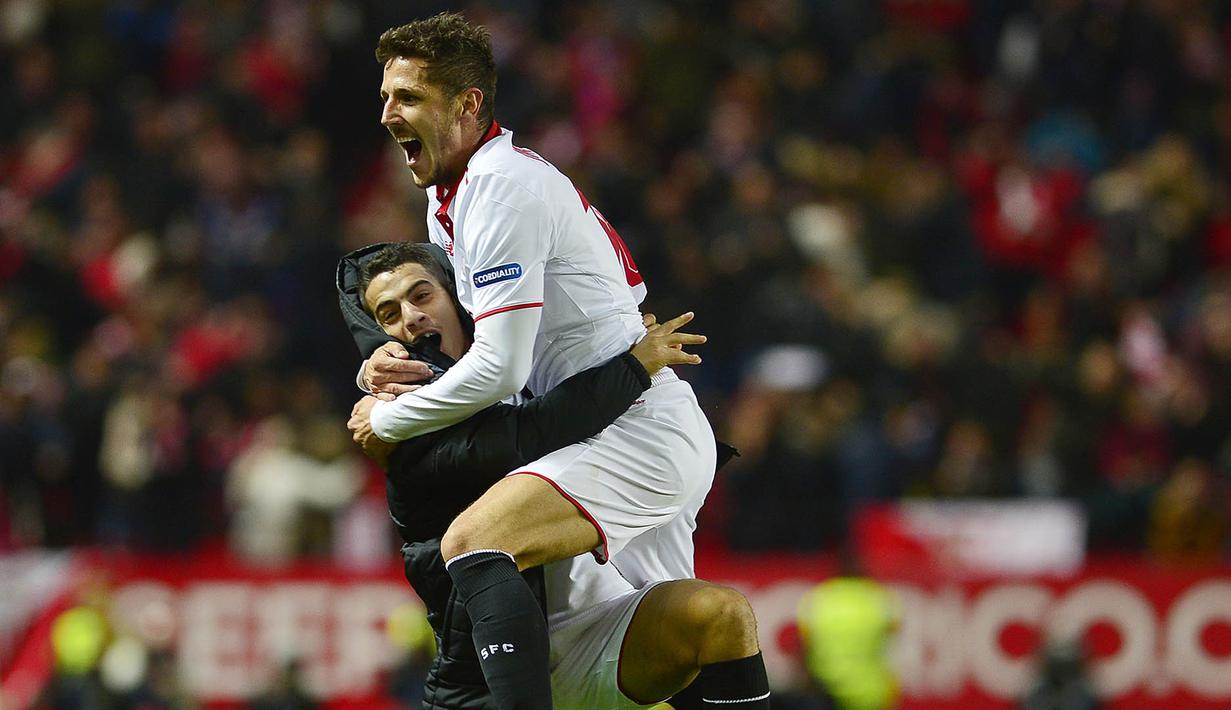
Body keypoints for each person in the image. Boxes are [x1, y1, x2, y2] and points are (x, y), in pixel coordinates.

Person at [346, 12, 769, 709]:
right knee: (710, 623)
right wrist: (380, 370)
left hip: (631, 428)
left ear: (467, 104)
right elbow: (466, 344)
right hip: (594, 431)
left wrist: (389, 423)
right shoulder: (449, 202)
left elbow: (503, 371)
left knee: (477, 543)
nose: (388, 112)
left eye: (409, 97)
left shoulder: (500, 186)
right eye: (386, 96)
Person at [339, 242, 766, 708]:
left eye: (421, 296)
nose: (411, 316)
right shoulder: (400, 417)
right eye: (388, 314)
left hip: (602, 632)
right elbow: (530, 433)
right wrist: (633, 365)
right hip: (492, 677)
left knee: (723, 615)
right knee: (479, 540)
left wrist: (615, 342)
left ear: (456, 295)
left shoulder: (526, 365)